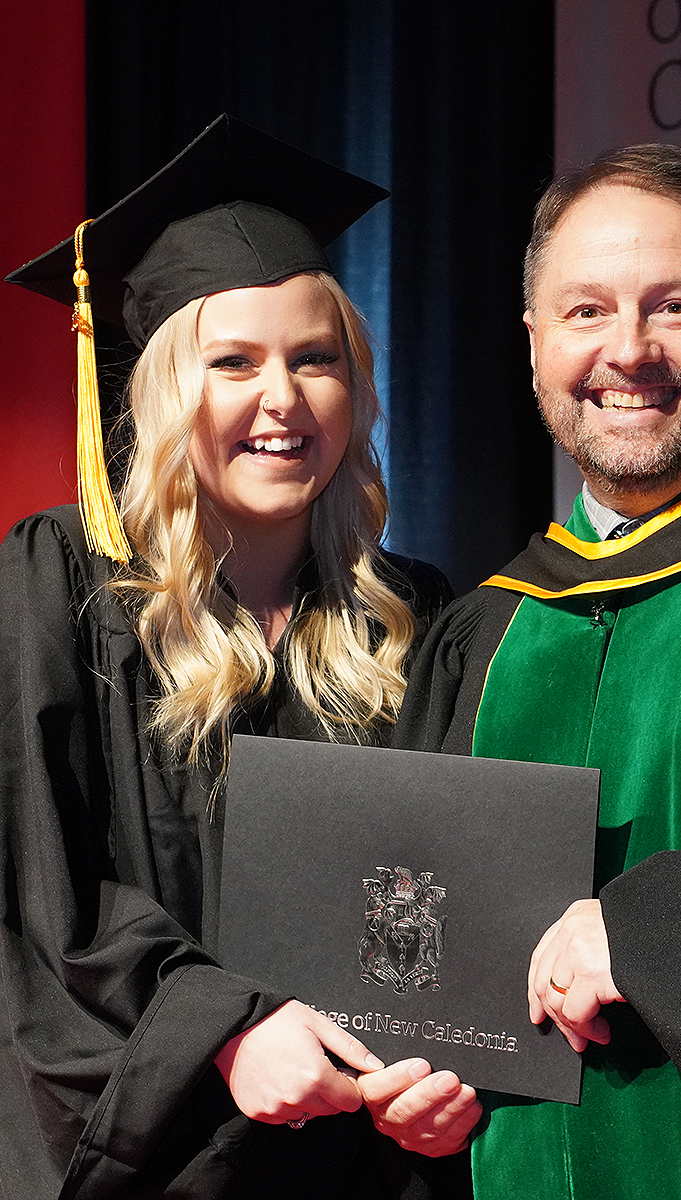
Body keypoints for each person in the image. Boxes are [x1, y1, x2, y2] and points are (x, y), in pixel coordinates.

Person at [0, 115, 480, 1199]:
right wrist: (224, 1028)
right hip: (157, 1157)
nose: (283, 399)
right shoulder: (60, 585)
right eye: (233, 363)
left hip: (353, 1162)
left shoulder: (411, 618)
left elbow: (442, 901)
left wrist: (444, 1078)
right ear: (166, 390)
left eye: (315, 359)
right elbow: (38, 896)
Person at [394, 142, 681, 1199]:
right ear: (534, 341)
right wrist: (408, 1082)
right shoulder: (488, 627)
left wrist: (653, 932)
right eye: (586, 311)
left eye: (675, 307)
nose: (629, 350)